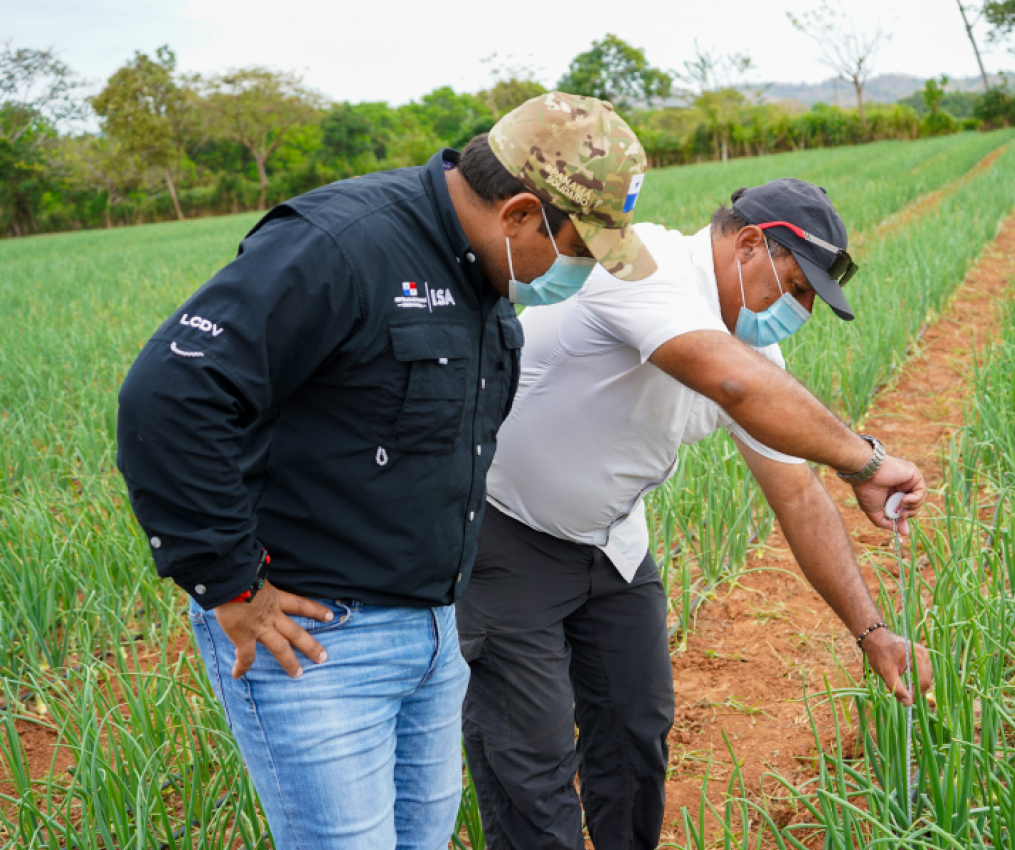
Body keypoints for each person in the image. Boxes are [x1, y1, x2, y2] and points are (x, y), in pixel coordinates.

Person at [115, 93, 655, 850]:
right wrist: (229, 583)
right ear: (521, 215)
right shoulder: (342, 246)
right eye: (581, 252)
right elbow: (171, 394)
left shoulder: (486, 279)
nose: (584, 274)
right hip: (317, 641)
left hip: (434, 634)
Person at [456, 178, 937, 850]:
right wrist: (864, 460)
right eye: (795, 289)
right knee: (530, 763)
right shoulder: (637, 261)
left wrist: (873, 633)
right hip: (508, 536)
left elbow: (796, 494)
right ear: (748, 246)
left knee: (636, 734)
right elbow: (729, 381)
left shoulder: (749, 343)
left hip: (614, 544)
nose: (797, 311)